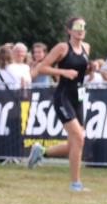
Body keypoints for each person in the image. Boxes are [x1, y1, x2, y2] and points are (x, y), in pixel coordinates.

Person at [27, 17, 92, 192]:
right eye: (77, 27)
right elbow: (42, 67)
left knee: (75, 144)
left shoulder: (87, 48)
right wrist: (63, 71)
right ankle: (75, 184)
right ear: (69, 30)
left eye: (83, 27)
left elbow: (82, 71)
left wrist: (92, 70)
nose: (81, 30)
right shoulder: (62, 48)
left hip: (78, 97)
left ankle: (41, 152)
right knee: (79, 138)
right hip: (63, 96)